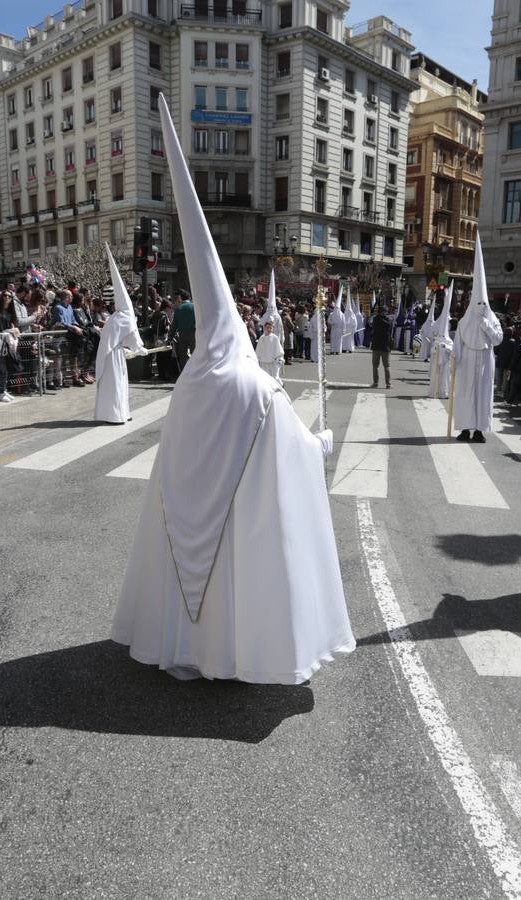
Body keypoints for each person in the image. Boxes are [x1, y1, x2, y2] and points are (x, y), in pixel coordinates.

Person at [113, 99, 352, 683]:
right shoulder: (253, 381)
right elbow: (290, 446)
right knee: (237, 568)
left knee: (191, 565)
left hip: (186, 511)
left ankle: (183, 650)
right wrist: (319, 443)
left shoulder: (193, 377)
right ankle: (232, 652)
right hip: (237, 514)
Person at [452, 242, 504, 443]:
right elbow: (458, 341)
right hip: (467, 360)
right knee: (465, 394)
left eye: (484, 304)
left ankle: (480, 430)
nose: (480, 306)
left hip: (484, 360)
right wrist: (454, 359)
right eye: (477, 303)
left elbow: (498, 340)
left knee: (482, 395)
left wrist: (485, 324)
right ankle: (465, 429)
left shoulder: (492, 320)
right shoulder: (464, 321)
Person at [94, 244, 148, 424]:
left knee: (116, 384)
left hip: (113, 354)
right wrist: (139, 349)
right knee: (117, 384)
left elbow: (120, 337)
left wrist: (132, 348)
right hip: (114, 356)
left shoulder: (115, 317)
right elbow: (132, 336)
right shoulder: (124, 316)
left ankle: (119, 413)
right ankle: (117, 415)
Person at [426, 283, 454, 399]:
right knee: (435, 377)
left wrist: (445, 348)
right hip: (437, 364)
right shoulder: (437, 339)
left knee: (445, 379)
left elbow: (452, 351)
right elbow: (432, 351)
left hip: (446, 365)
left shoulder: (449, 340)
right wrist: (437, 348)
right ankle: (434, 392)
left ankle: (444, 392)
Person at [369, 301, 393, 388]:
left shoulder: (375, 319)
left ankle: (375, 383)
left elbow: (371, 326)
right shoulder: (389, 321)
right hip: (386, 346)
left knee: (375, 366)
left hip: (376, 345)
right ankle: (388, 383)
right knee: (387, 366)